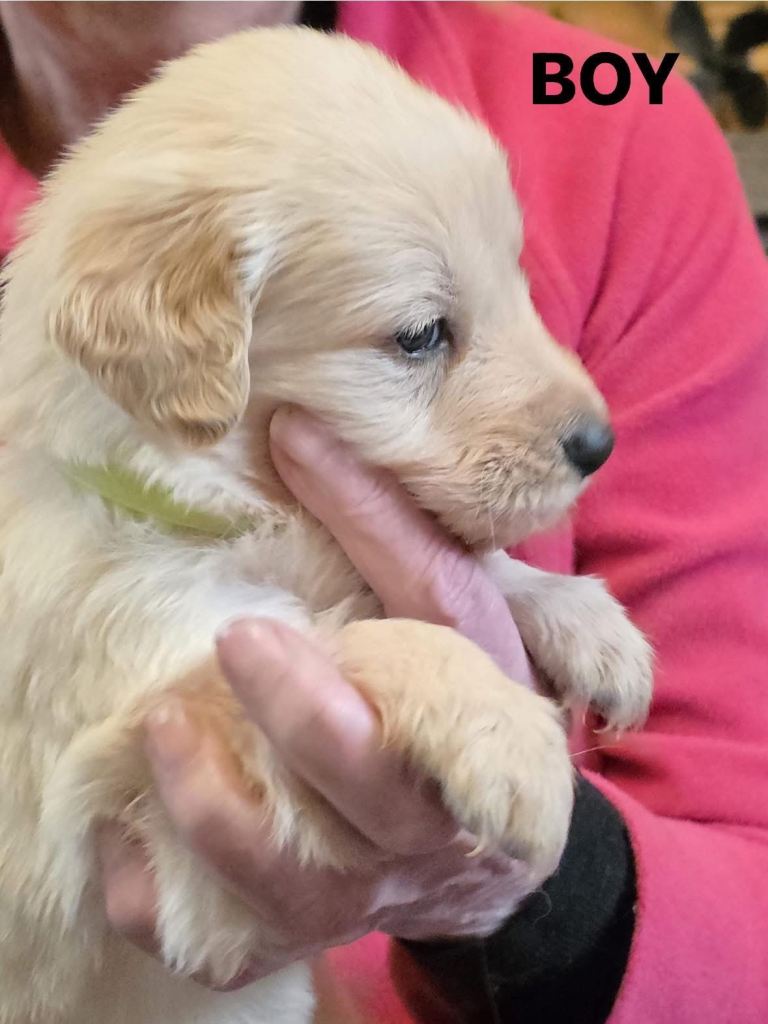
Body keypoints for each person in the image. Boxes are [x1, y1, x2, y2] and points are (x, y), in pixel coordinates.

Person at [1, 2, 767, 1022]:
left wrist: (546, 888)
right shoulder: (89, 452)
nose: (578, 406)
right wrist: (410, 678)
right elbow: (171, 707)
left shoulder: (616, 113)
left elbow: (748, 861)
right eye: (419, 335)